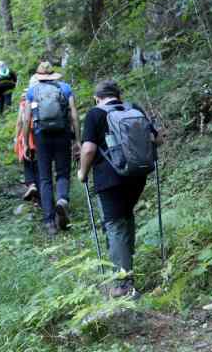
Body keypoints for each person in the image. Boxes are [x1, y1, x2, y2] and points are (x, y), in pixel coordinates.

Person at [78, 79, 158, 298]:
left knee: (114, 225)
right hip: (137, 174)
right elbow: (154, 138)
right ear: (118, 95)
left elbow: (88, 149)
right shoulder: (134, 109)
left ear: (97, 97)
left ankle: (123, 284)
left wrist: (82, 173)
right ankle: (127, 270)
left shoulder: (95, 114)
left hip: (110, 178)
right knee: (126, 219)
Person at [24, 61, 79, 235]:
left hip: (42, 136)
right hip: (62, 134)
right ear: (53, 74)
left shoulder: (32, 91)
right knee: (62, 173)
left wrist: (25, 142)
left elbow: (26, 119)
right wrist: (78, 140)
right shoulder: (65, 88)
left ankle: (49, 222)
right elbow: (74, 115)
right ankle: (62, 200)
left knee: (45, 178)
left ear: (39, 76)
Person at [13, 82, 39, 203]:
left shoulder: (24, 104)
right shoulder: (40, 102)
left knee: (27, 161)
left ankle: (32, 185)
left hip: (27, 135)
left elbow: (20, 122)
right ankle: (38, 193)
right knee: (38, 163)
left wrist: (17, 137)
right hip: (40, 134)